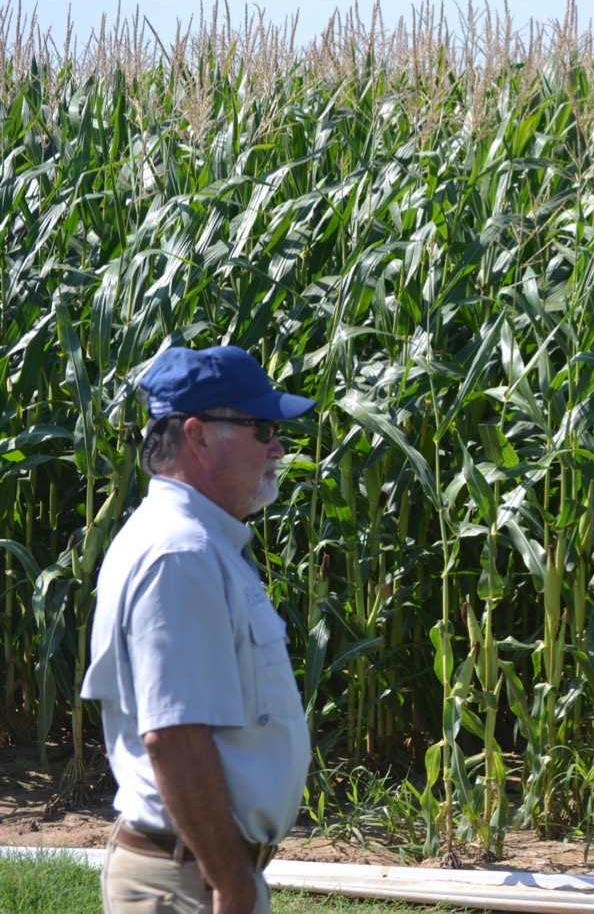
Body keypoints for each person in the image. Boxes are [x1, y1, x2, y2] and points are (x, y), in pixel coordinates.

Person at [81, 345, 315, 914]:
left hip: (198, 871)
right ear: (198, 435)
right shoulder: (179, 554)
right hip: (190, 881)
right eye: (262, 429)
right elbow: (175, 737)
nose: (277, 448)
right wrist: (232, 885)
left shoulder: (202, 543)